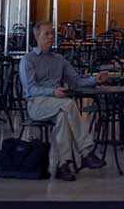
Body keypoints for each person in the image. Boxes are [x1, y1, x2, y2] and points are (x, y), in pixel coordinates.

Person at [19, 22, 113, 181]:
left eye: (52, 33)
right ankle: (86, 152)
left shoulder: (59, 59)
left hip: (57, 105)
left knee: (64, 116)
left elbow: (76, 80)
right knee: (68, 104)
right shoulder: (28, 60)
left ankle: (64, 164)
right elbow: (30, 89)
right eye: (46, 34)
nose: (50, 37)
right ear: (37, 37)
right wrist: (52, 91)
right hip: (36, 104)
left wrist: (95, 79)